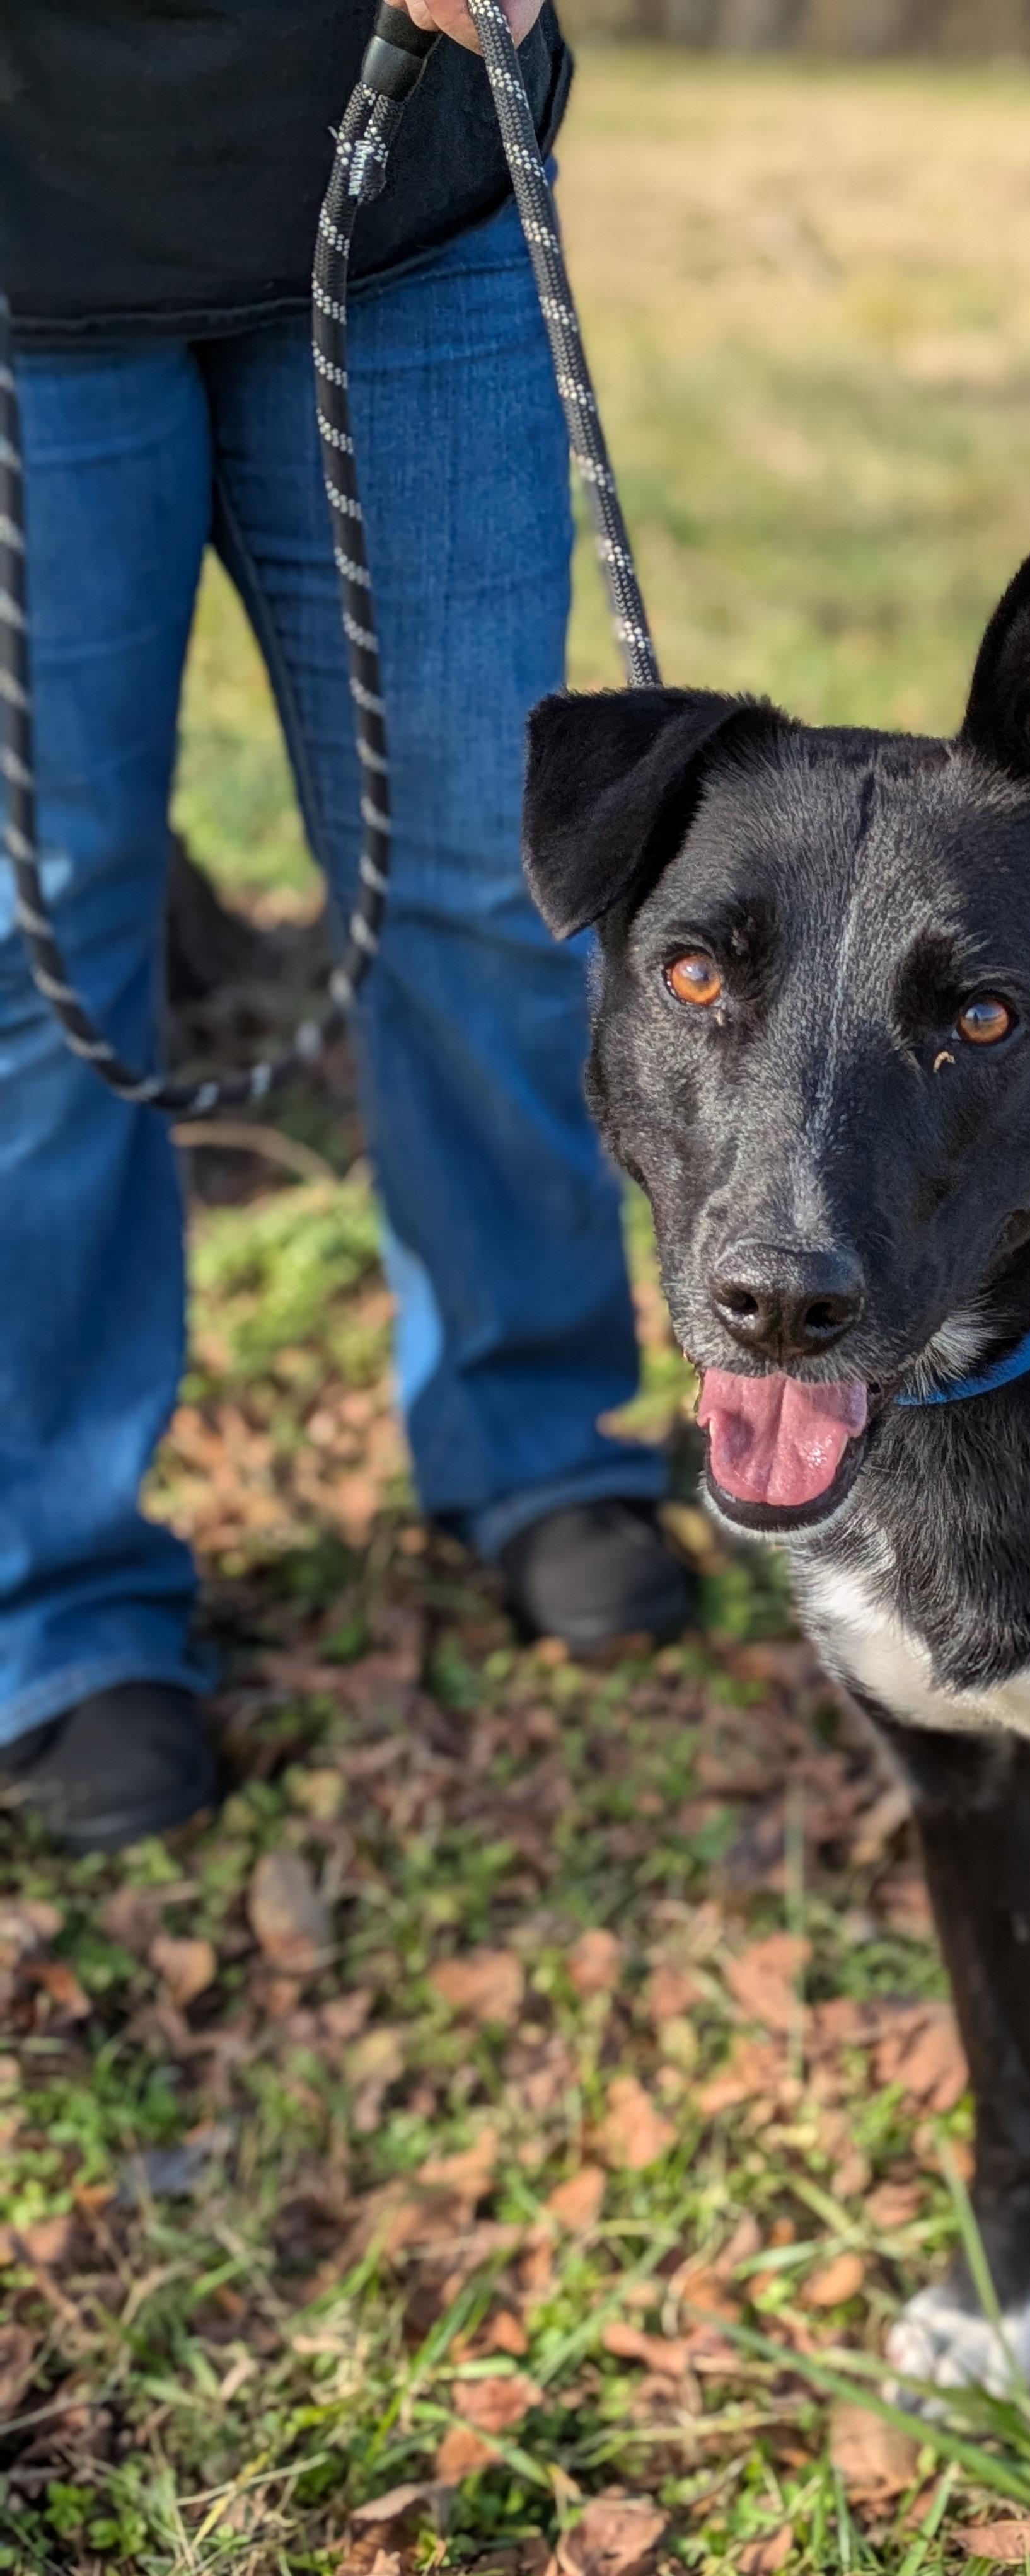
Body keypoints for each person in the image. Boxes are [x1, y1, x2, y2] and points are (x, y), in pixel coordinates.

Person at [0, 0, 693, 1858]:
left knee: (496, 864)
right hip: (27, 233)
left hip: (406, 188)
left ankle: (534, 1433)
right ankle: (51, 1601)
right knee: (39, 930)